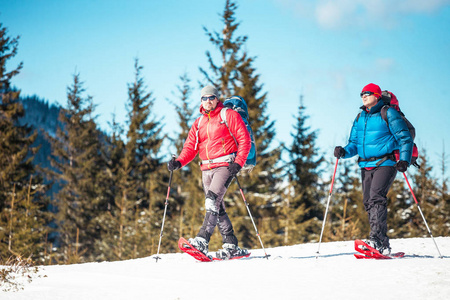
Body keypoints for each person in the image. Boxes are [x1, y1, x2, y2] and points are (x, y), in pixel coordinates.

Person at [167, 85, 252, 259]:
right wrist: (179, 162)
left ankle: (202, 240)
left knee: (212, 200)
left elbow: (244, 140)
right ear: (201, 101)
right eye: (204, 98)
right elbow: (190, 147)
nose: (208, 101)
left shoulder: (228, 115)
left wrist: (238, 163)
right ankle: (231, 244)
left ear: (217, 98)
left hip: (225, 165)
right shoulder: (199, 123)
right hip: (206, 168)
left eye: (211, 97)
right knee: (217, 206)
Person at [334, 83, 413, 255]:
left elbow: (405, 138)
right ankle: (380, 242)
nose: (363, 95)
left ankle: (377, 241)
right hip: (365, 164)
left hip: (386, 163)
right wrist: (344, 151)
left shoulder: (388, 113)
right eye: (362, 93)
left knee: (377, 198)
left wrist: (404, 160)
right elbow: (354, 144)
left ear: (376, 95)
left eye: (367, 93)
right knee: (368, 202)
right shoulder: (360, 116)